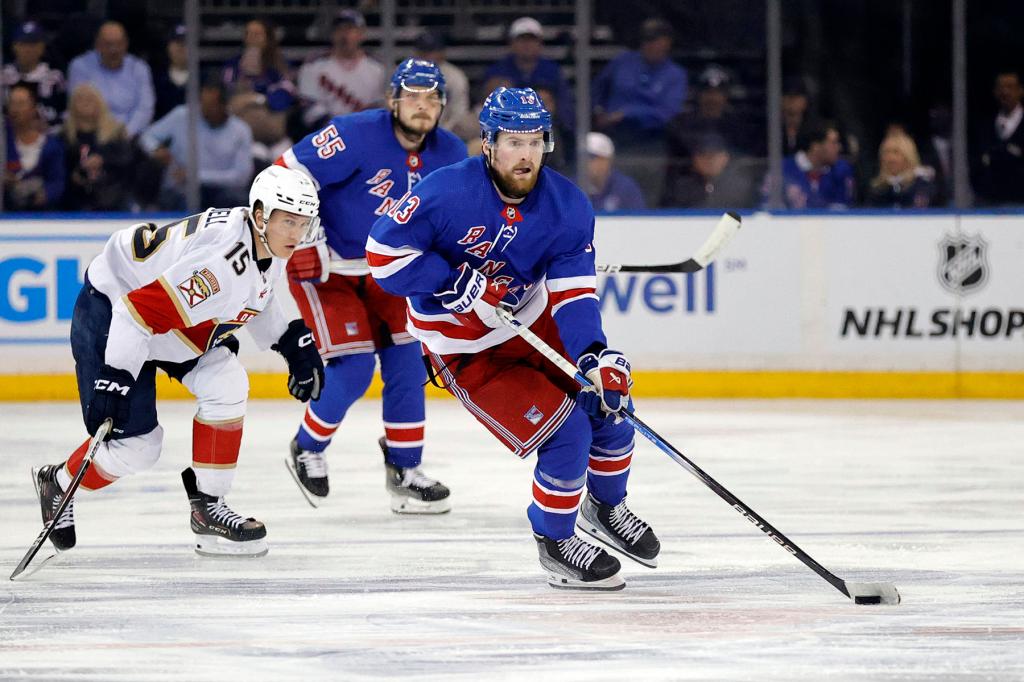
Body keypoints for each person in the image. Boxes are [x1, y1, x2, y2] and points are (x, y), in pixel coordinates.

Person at [366, 87, 660, 590]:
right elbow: (382, 257)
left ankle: (606, 507)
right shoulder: (444, 192)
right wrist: (443, 280)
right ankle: (556, 541)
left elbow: (573, 296)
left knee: (610, 407)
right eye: (512, 142)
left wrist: (594, 355)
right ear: (488, 143)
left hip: (532, 322)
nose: (525, 154)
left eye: (534, 141)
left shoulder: (567, 205)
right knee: (566, 436)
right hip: (468, 351)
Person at [32, 165, 325, 558]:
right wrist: (115, 377)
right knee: (138, 448)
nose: (297, 233)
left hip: (162, 310)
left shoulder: (266, 240)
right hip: (114, 308)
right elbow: (136, 313)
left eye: (304, 223)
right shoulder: (217, 266)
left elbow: (261, 290)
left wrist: (292, 342)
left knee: (227, 383)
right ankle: (60, 482)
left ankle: (208, 508)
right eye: (289, 221)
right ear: (259, 215)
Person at [276, 59, 466, 512]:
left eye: (432, 98)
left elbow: (462, 219)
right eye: (413, 97)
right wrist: (304, 233)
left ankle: (405, 468)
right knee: (356, 367)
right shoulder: (354, 133)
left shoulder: (453, 153)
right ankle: (308, 446)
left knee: (406, 361)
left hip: (392, 273)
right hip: (330, 269)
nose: (423, 106)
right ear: (392, 100)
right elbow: (286, 170)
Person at [139, 80, 254, 210]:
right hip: (180, 189)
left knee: (235, 199)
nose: (205, 110)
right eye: (203, 104)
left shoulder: (240, 130)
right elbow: (147, 136)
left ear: (224, 105)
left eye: (211, 106)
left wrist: (195, 176)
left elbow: (241, 177)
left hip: (221, 192)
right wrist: (156, 149)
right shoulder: (182, 116)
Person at [591, 18, 687, 149]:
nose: (649, 45)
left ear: (667, 42)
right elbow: (597, 89)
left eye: (655, 40)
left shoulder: (675, 74)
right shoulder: (623, 61)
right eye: (646, 40)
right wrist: (599, 110)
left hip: (652, 140)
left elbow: (668, 112)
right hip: (614, 136)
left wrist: (627, 114)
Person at [297, 9, 386, 130]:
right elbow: (309, 108)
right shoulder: (314, 65)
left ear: (362, 34)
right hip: (325, 133)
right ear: (332, 34)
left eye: (350, 29)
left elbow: (381, 107)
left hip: (366, 133)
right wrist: (337, 129)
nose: (345, 35)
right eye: (339, 29)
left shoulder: (378, 68)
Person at [67, 21, 155, 137]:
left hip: (131, 134)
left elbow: (145, 108)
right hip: (93, 134)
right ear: (97, 45)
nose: (114, 50)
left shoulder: (139, 68)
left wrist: (126, 133)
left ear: (126, 44)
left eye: (119, 44)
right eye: (108, 44)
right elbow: (79, 107)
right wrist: (105, 135)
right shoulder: (80, 66)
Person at [62, 83, 137, 211]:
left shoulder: (116, 132)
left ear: (100, 103)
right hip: (75, 197)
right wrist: (75, 174)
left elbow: (128, 162)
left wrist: (103, 161)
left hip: (113, 195)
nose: (85, 103)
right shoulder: (64, 136)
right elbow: (60, 167)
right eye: (80, 99)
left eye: (90, 99)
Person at [4, 81, 65, 211]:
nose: (15, 109)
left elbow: (58, 181)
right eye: (12, 104)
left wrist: (44, 195)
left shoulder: (51, 145)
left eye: (20, 104)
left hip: (42, 215)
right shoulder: (3, 141)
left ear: (33, 109)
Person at [1, 20, 66, 131]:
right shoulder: (3, 76)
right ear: (14, 47)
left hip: (48, 139)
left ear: (42, 48)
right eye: (23, 44)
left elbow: (66, 112)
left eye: (33, 44)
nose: (27, 50)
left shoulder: (54, 78)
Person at [663, 133, 756, 209]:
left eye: (713, 156)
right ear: (695, 160)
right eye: (703, 155)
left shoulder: (741, 186)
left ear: (725, 158)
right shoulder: (681, 187)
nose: (709, 161)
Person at [776, 121, 855, 209]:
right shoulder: (783, 168)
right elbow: (768, 207)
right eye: (833, 143)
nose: (839, 147)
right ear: (816, 146)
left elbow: (842, 209)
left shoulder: (841, 170)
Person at [973, 71, 1024, 206]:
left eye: (1010, 87)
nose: (1005, 92)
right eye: (1001, 88)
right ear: (995, 92)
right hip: (991, 204)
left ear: (1020, 91)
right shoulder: (986, 126)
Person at [413, 31, 473, 140]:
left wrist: (442, 133)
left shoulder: (455, 76)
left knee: (466, 123)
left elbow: (459, 114)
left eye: (434, 51)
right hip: (413, 131)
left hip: (446, 131)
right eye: (425, 51)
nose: (429, 56)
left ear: (442, 52)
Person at [866, 133, 939, 208]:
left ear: (908, 156)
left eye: (896, 152)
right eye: (886, 152)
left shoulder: (923, 187)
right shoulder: (877, 190)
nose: (890, 158)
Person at [583, 132, 645, 211]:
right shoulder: (572, 187)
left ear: (607, 160)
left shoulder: (625, 188)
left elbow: (638, 218)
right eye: (583, 158)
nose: (586, 162)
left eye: (592, 158)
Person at [152, 24, 189, 120]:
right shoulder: (156, 78)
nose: (181, 48)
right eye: (176, 43)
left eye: (185, 43)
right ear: (168, 47)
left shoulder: (203, 77)